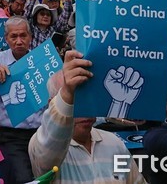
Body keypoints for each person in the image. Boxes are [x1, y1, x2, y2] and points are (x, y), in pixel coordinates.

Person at [28, 50, 146, 183]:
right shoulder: (42, 145)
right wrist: (67, 92)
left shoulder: (115, 143)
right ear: (53, 104)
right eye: (75, 100)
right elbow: (52, 141)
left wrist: (120, 102)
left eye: (89, 98)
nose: (84, 109)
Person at [0, 16, 43, 184]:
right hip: (11, 137)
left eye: (23, 36)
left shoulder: (42, 60)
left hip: (43, 134)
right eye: (14, 37)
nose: (19, 41)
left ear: (30, 36)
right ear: (6, 38)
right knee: (23, 179)